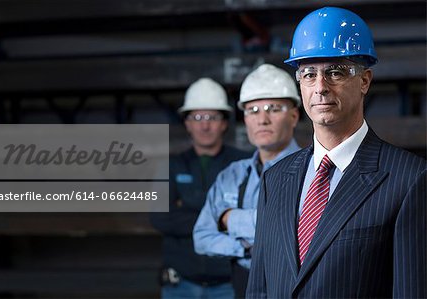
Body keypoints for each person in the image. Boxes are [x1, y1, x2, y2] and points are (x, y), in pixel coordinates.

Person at [246, 7, 426, 298]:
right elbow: (259, 290)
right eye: (308, 74)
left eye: (335, 72)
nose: (320, 87)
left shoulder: (409, 179)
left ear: (365, 80)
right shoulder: (275, 179)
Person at [193, 64, 301, 298]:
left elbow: (300, 231)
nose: (262, 119)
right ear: (245, 119)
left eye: (273, 108)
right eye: (253, 110)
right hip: (243, 285)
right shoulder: (231, 175)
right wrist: (245, 248)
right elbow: (201, 237)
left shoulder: (314, 170)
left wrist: (230, 219)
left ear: (293, 116)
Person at [150, 78, 249, 299]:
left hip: (229, 285)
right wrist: (222, 217)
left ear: (224, 122)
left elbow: (251, 214)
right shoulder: (171, 166)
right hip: (180, 285)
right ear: (187, 123)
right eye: (197, 117)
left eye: (212, 117)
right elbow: (159, 217)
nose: (205, 125)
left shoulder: (242, 165)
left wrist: (185, 206)